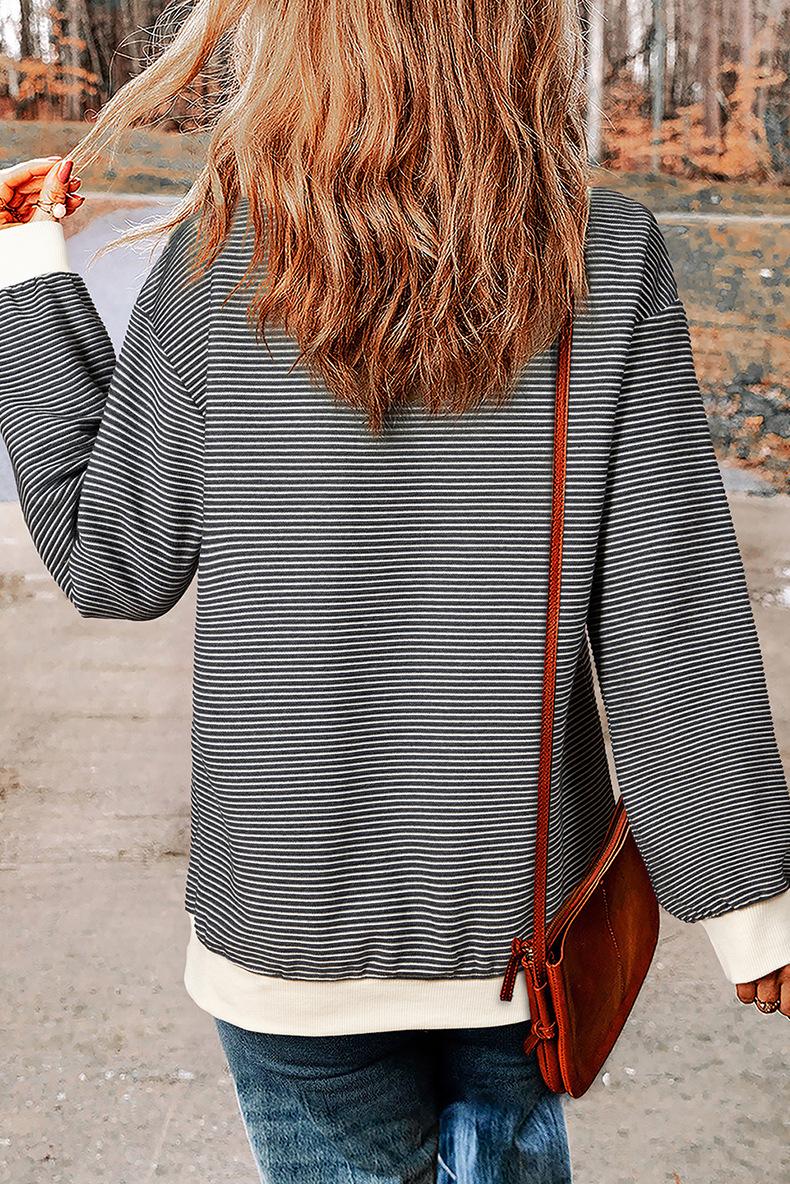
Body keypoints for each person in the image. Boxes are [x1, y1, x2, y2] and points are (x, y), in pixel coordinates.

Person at [1, 2, 788, 1181]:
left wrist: (27, 273)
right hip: (520, 925)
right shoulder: (605, 251)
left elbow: (114, 560)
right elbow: (667, 605)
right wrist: (748, 906)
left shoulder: (220, 254)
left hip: (286, 919)